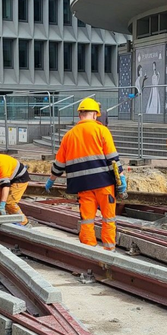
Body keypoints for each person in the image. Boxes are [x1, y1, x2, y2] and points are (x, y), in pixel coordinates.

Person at [45, 98, 125, 251]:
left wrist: (51, 180)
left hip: (83, 186)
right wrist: (121, 178)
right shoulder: (102, 130)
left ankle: (89, 253)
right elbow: (113, 159)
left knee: (87, 221)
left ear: (79, 115)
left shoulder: (69, 135)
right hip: (104, 184)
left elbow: (59, 164)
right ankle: (109, 252)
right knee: (108, 218)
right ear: (95, 115)